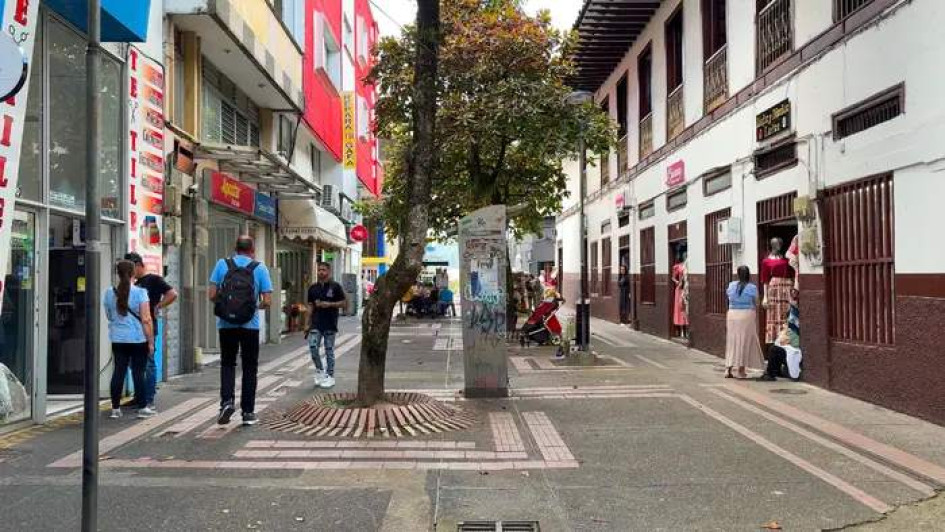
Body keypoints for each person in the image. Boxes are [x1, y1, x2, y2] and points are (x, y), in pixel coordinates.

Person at [209, 236, 273, 426]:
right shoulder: (260, 268)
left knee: (227, 364)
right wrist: (253, 307)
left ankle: (226, 403)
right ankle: (248, 412)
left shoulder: (222, 264)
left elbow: (212, 295)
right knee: (249, 368)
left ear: (235, 249)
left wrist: (226, 307)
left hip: (226, 325)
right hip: (250, 326)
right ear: (252, 250)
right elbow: (268, 301)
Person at [125, 252, 177, 412]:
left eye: (132, 268)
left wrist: (158, 306)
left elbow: (173, 293)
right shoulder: (132, 284)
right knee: (134, 364)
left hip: (148, 328)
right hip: (132, 329)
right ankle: (139, 397)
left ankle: (149, 399)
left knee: (148, 363)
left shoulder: (153, 280)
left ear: (140, 265)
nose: (131, 272)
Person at [104, 260, 154, 419]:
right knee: (139, 373)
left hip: (118, 338)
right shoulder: (141, 293)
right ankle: (142, 407)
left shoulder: (108, 293)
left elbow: (109, 315)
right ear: (133, 274)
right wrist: (151, 341)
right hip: (138, 339)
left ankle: (115, 409)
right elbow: (146, 319)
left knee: (119, 371)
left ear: (117, 274)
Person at [307, 262, 346, 388]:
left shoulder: (335, 287)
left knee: (329, 350)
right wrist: (307, 324)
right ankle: (320, 371)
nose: (321, 272)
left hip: (330, 323)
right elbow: (310, 305)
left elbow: (345, 303)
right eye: (319, 270)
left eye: (323, 270)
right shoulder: (313, 288)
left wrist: (329, 304)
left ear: (328, 272)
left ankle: (330, 376)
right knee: (313, 347)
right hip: (316, 323)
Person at [724, 265, 764, 379]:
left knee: (732, 341)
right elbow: (756, 302)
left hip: (732, 314)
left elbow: (728, 298)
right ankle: (741, 370)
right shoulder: (752, 287)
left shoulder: (731, 285)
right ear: (748, 274)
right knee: (744, 342)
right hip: (746, 315)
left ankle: (728, 369)